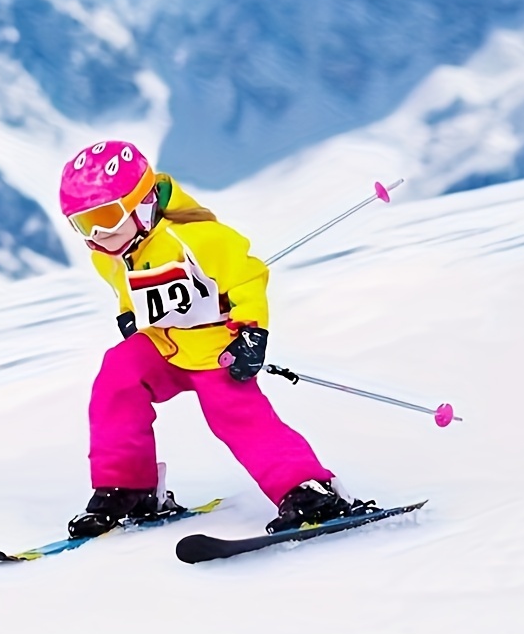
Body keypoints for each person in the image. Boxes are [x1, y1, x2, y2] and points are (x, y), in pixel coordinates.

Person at [59, 140, 374, 537]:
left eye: (106, 216)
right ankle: (127, 488)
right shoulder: (109, 254)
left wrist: (251, 332)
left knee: (235, 414)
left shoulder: (199, 239)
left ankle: (306, 491)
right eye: (83, 224)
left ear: (141, 202)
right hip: (166, 346)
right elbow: (128, 287)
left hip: (215, 349)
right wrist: (128, 316)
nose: (97, 234)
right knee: (118, 374)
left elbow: (248, 277)